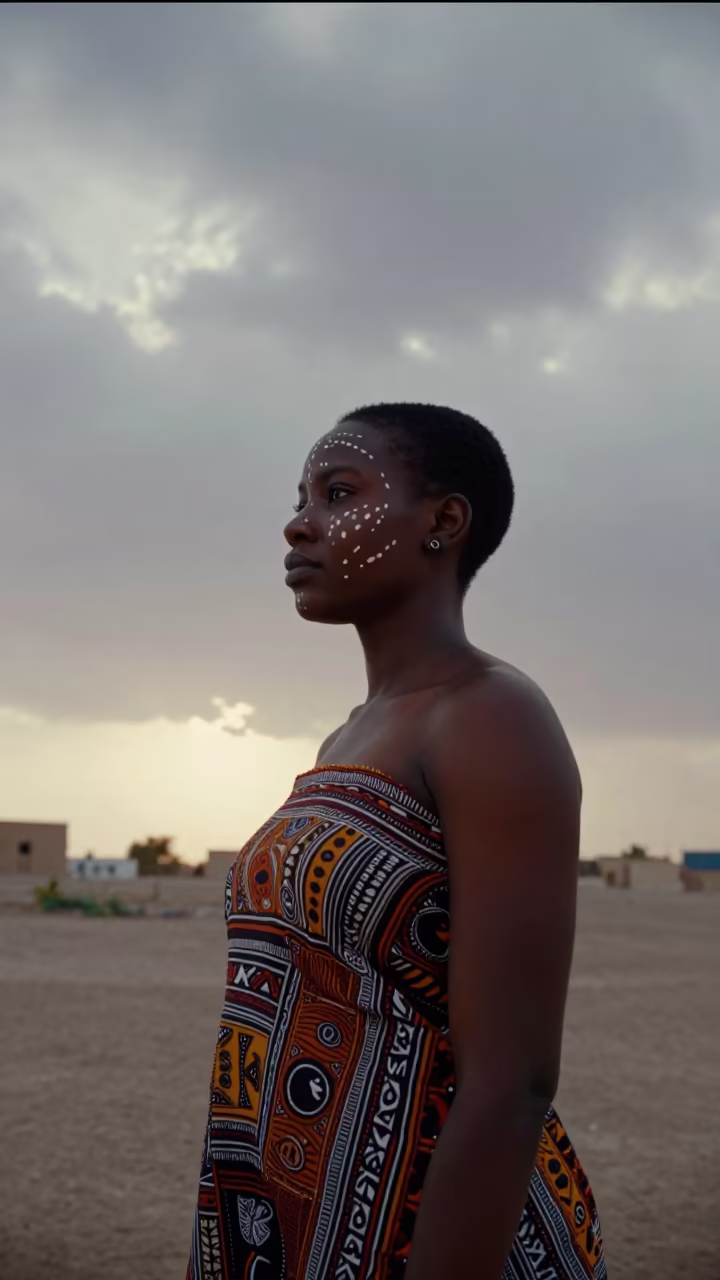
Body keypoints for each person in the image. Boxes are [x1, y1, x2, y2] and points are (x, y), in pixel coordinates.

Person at [188, 403, 606, 1280]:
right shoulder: (350, 736)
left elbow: (513, 1080)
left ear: (444, 523)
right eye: (302, 496)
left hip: (429, 1236)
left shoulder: (489, 714)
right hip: (292, 1215)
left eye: (339, 493)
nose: (299, 522)